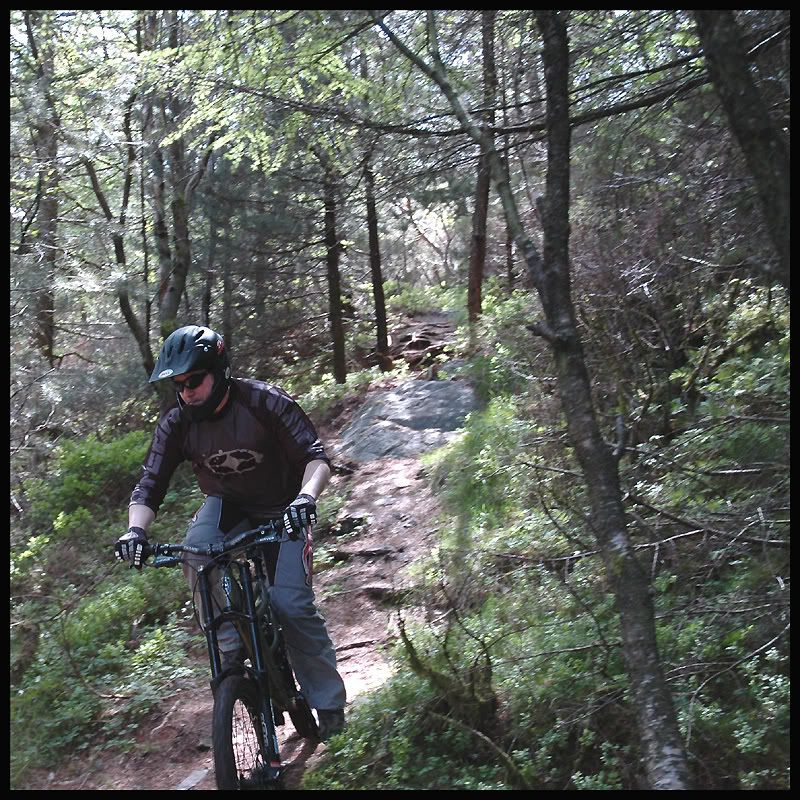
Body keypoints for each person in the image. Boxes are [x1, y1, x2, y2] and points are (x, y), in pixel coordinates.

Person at [114, 324, 346, 740]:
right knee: (195, 551)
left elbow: (315, 459)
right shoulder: (177, 424)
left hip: (284, 507)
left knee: (290, 605)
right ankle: (230, 646)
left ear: (219, 371)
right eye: (178, 385)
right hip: (229, 505)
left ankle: (328, 703)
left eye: (194, 381)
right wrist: (135, 532)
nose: (186, 392)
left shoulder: (264, 402)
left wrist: (305, 499)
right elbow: (149, 484)